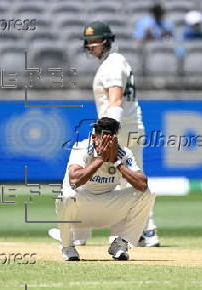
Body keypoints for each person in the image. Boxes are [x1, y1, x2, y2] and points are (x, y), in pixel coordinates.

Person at [49, 20, 160, 248]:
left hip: (121, 129)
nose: (90, 46)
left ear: (107, 40)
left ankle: (79, 234)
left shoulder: (111, 64)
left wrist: (108, 134)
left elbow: (116, 102)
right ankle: (146, 233)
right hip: (130, 128)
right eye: (87, 42)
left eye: (94, 41)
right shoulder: (117, 61)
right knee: (128, 182)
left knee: (97, 181)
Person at [57, 117, 155, 261]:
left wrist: (117, 162)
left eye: (111, 140)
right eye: (103, 140)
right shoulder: (81, 147)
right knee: (66, 196)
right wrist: (100, 160)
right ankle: (67, 247)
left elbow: (142, 184)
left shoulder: (123, 153)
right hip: (80, 211)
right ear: (93, 136)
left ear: (115, 138)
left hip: (108, 208)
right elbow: (74, 181)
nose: (107, 144)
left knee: (147, 193)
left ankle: (121, 244)